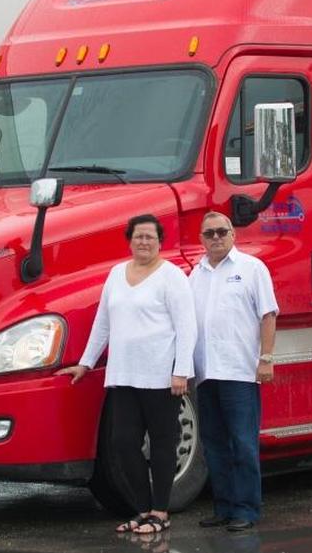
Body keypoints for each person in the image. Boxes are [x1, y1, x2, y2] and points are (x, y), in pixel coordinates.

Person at [56, 213, 196, 535]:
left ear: (160, 242)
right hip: (123, 376)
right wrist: (87, 362)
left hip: (162, 377)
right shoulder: (116, 274)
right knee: (122, 442)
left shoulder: (172, 276)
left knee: (163, 444)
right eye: (138, 237)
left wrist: (182, 372)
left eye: (150, 237)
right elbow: (102, 323)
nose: (144, 242)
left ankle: (160, 512)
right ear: (129, 240)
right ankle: (142, 509)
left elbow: (187, 327)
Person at [189, 211, 278, 532]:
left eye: (221, 232)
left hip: (239, 371)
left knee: (242, 442)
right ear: (201, 239)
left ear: (233, 234)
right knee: (213, 444)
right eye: (209, 233)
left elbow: (268, 315)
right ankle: (223, 507)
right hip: (206, 373)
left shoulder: (252, 269)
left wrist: (266, 358)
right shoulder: (195, 275)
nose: (215, 238)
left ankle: (246, 509)